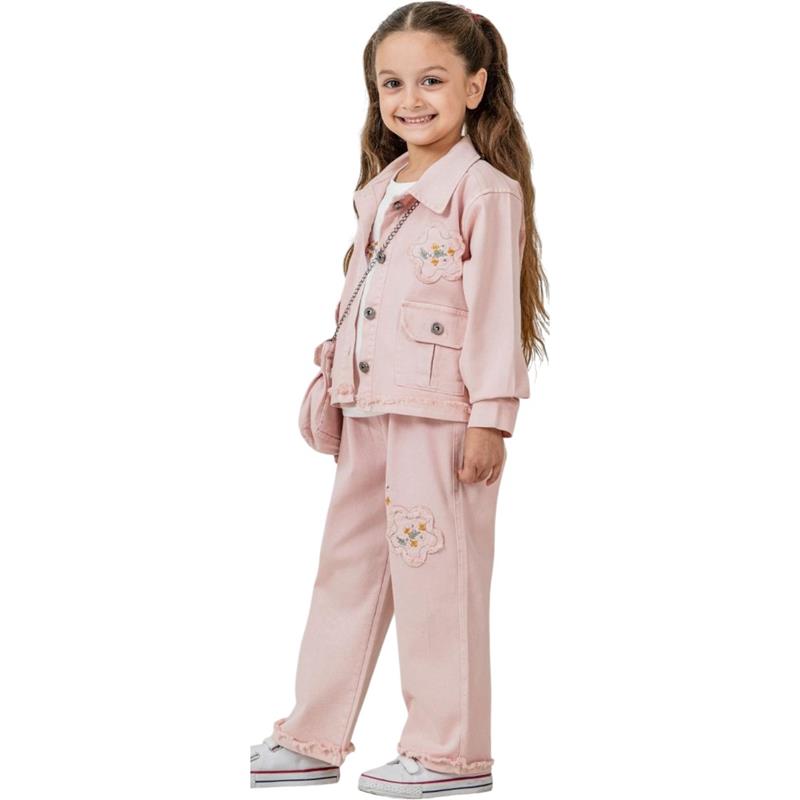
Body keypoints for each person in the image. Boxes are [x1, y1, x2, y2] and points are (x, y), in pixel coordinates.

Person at [250, 2, 548, 795]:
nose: (410, 99)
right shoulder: (381, 189)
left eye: (432, 80)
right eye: (392, 83)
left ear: (475, 87)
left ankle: (449, 753)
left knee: (438, 581)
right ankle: (311, 735)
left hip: (443, 419)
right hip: (370, 410)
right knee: (345, 570)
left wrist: (491, 419)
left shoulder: (484, 192)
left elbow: (494, 312)